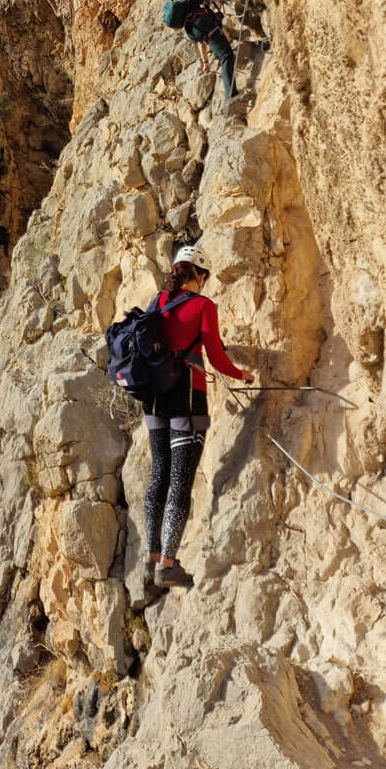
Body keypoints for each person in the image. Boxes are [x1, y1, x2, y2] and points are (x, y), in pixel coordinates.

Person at [142, 245, 254, 588]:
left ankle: (152, 556)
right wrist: (242, 376)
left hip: (153, 400)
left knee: (159, 472)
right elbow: (216, 355)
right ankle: (169, 565)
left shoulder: (157, 302)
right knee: (181, 478)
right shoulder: (203, 305)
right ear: (200, 275)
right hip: (188, 399)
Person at [182, 0, 239, 100]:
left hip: (192, 31)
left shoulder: (187, 3)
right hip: (202, 23)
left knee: (222, 52)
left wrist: (206, 63)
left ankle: (231, 94)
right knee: (226, 55)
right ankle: (232, 96)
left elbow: (200, 42)